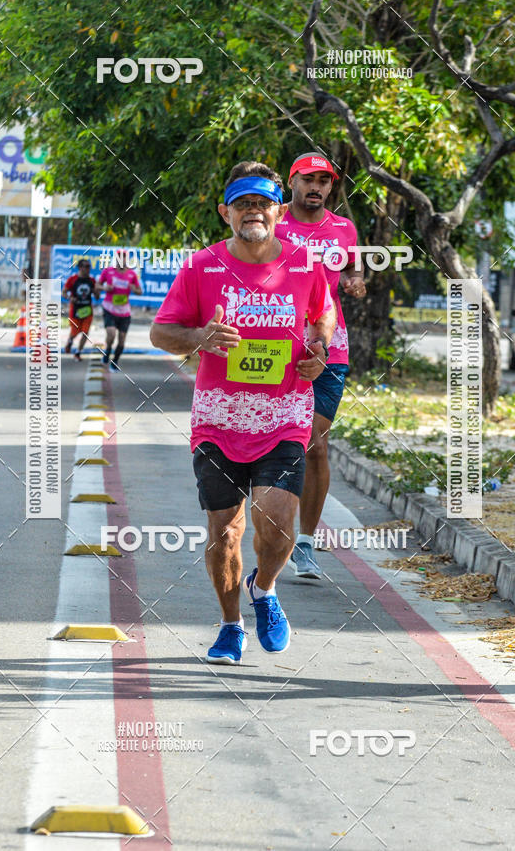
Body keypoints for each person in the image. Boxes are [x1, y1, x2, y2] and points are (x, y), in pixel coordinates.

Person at [150, 161, 335, 665]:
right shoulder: (202, 266)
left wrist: (319, 345)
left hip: (285, 414)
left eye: (263, 202)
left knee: (276, 525)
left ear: (279, 209)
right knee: (224, 532)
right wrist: (197, 339)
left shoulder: (302, 262)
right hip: (218, 418)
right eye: (243, 203)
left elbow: (323, 311)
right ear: (225, 212)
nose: (253, 211)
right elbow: (160, 332)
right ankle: (231, 624)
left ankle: (266, 588)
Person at [275, 153, 366, 579]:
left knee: (315, 444)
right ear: (291, 181)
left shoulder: (343, 229)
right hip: (275, 342)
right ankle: (267, 529)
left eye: (324, 181)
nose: (316, 187)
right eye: (308, 179)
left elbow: (352, 271)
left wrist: (353, 281)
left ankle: (305, 542)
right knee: (274, 441)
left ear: (331, 188)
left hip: (330, 347)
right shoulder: (271, 222)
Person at [97, 249, 143, 371]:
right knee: (111, 334)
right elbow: (97, 285)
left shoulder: (132, 274)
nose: (121, 259)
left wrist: (134, 288)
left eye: (124, 257)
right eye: (119, 257)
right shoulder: (108, 271)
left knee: (122, 339)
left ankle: (115, 362)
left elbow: (140, 291)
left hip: (124, 311)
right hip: (109, 308)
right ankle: (107, 351)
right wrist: (105, 288)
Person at [63, 258, 100, 360]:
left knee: (85, 332)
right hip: (75, 309)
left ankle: (78, 352)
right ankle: (70, 341)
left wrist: (96, 291)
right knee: (75, 331)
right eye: (86, 267)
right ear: (80, 267)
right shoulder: (73, 279)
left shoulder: (92, 280)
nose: (88, 269)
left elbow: (97, 297)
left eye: (89, 267)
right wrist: (70, 298)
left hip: (87, 310)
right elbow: (64, 292)